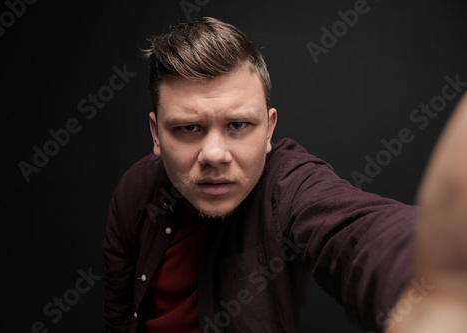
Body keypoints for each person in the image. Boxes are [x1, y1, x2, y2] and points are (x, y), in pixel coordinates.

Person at [103, 17, 467, 333]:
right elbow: (120, 312)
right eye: (188, 128)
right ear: (155, 134)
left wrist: (434, 281)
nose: (214, 154)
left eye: (239, 124)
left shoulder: (290, 186)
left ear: (268, 130)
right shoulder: (134, 191)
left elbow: (352, 228)